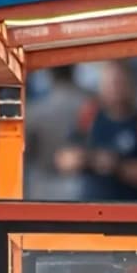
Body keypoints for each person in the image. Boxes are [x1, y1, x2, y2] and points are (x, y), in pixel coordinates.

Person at [54, 60, 137, 201]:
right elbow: (64, 160)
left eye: (119, 82)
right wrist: (90, 159)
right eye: (110, 83)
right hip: (90, 209)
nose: (115, 89)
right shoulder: (89, 116)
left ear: (131, 84)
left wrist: (117, 167)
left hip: (132, 209)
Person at [25, 65, 89, 200]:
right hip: (80, 185)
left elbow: (26, 152)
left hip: (44, 185)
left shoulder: (37, 109)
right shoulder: (90, 102)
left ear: (50, 74)